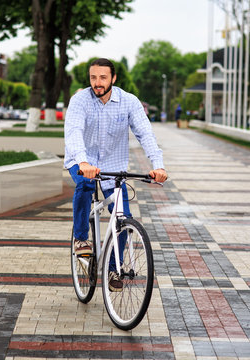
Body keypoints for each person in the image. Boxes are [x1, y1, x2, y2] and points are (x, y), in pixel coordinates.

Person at [64, 58, 168, 292]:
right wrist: (83, 161)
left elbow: (146, 134)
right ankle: (81, 237)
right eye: (93, 78)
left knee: (123, 215)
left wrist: (158, 165)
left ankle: (113, 268)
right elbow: (73, 133)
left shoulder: (129, 102)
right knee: (85, 184)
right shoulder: (79, 101)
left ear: (113, 78)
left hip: (113, 165)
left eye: (102, 77)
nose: (97, 83)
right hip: (81, 160)